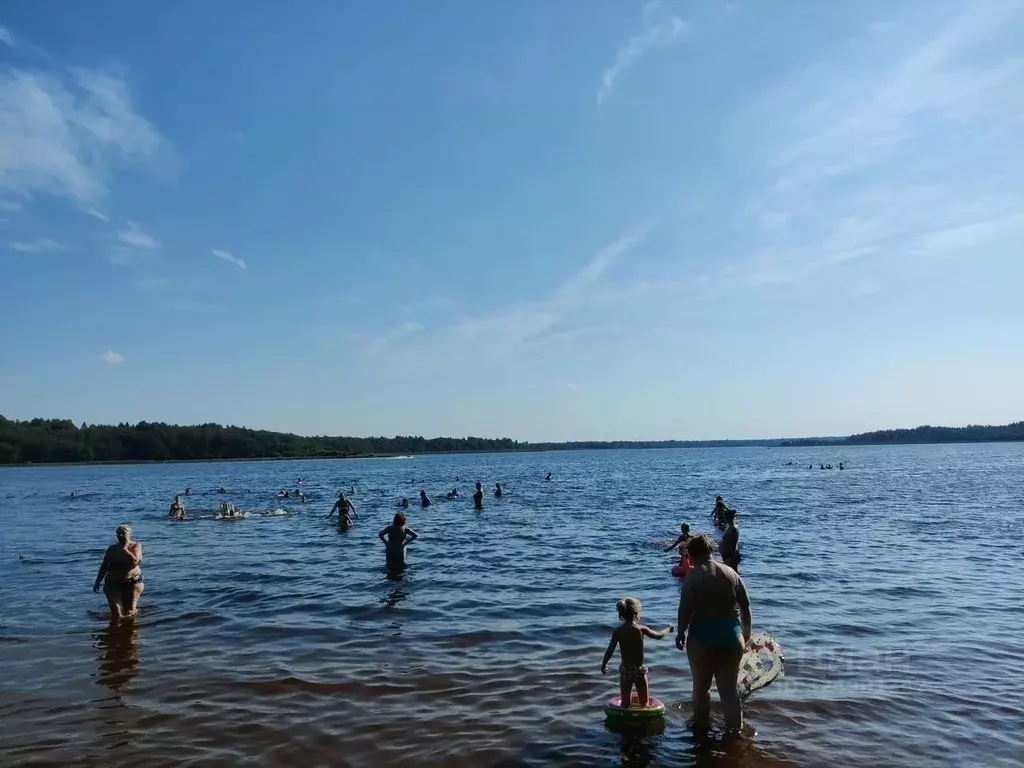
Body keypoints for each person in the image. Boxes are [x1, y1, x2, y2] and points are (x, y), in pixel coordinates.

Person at [675, 534, 752, 732]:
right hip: (732, 635)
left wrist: (680, 632)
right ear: (711, 551)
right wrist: (746, 633)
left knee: (701, 689)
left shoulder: (693, 576)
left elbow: (685, 609)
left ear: (691, 555)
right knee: (729, 692)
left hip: (703, 635)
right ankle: (735, 733)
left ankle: (701, 730)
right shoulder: (731, 573)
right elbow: (745, 606)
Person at [601, 597, 674, 708]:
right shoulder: (641, 629)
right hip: (639, 671)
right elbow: (659, 636)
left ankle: (625, 717)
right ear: (636, 614)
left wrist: (604, 664)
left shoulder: (618, 631)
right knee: (644, 704)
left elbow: (610, 650)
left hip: (625, 671)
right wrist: (669, 629)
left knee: (625, 704)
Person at [93, 525, 144, 622]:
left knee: (130, 612)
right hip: (112, 584)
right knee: (116, 613)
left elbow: (134, 561)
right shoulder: (112, 548)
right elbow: (104, 566)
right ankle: (116, 629)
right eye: (118, 534)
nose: (120, 535)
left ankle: (130, 630)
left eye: (123, 533)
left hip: (132, 582)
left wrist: (124, 549)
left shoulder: (136, 545)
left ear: (130, 534)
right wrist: (97, 581)